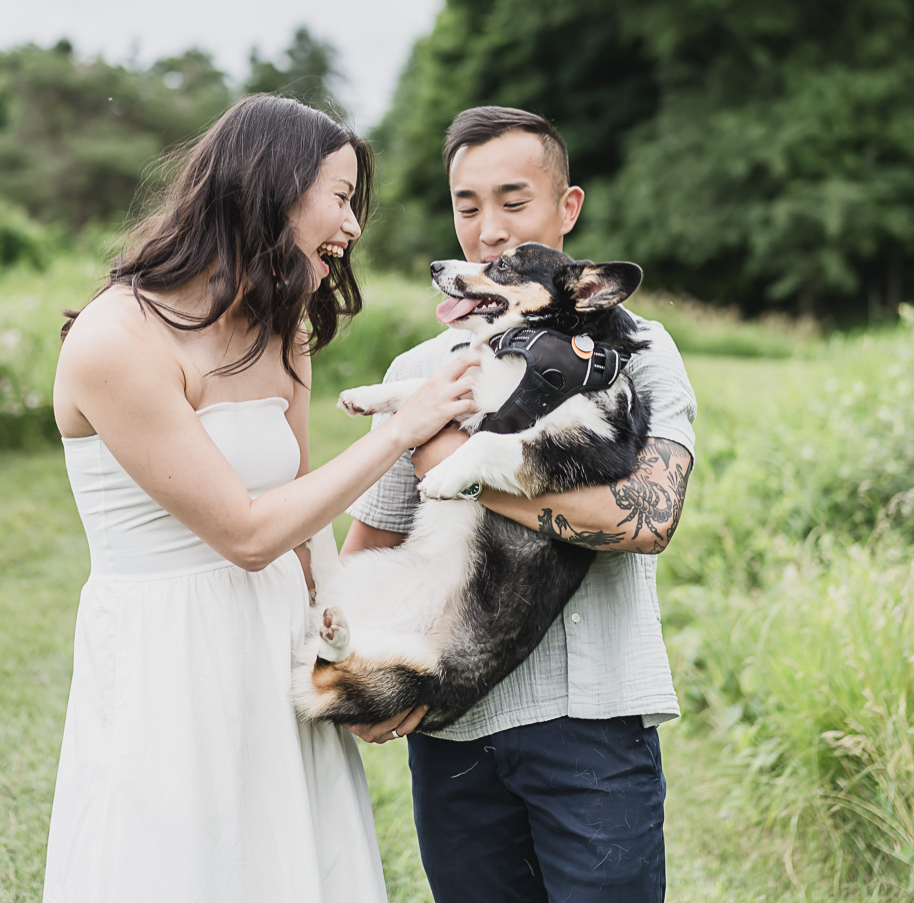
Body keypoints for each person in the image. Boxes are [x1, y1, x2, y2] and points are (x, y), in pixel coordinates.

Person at [44, 95, 478, 903]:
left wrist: (347, 652)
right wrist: (399, 429)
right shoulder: (116, 340)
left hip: (276, 638)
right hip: (169, 650)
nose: (352, 227)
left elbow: (301, 514)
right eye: (341, 198)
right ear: (270, 186)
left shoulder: (283, 327)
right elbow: (243, 534)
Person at [344, 105, 697, 903]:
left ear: (566, 209)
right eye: (467, 205)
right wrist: (360, 663)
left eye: (513, 201)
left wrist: (452, 457)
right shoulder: (423, 364)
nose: (488, 228)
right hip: (453, 729)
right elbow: (373, 539)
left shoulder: (636, 348)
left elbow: (646, 519)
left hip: (593, 721)